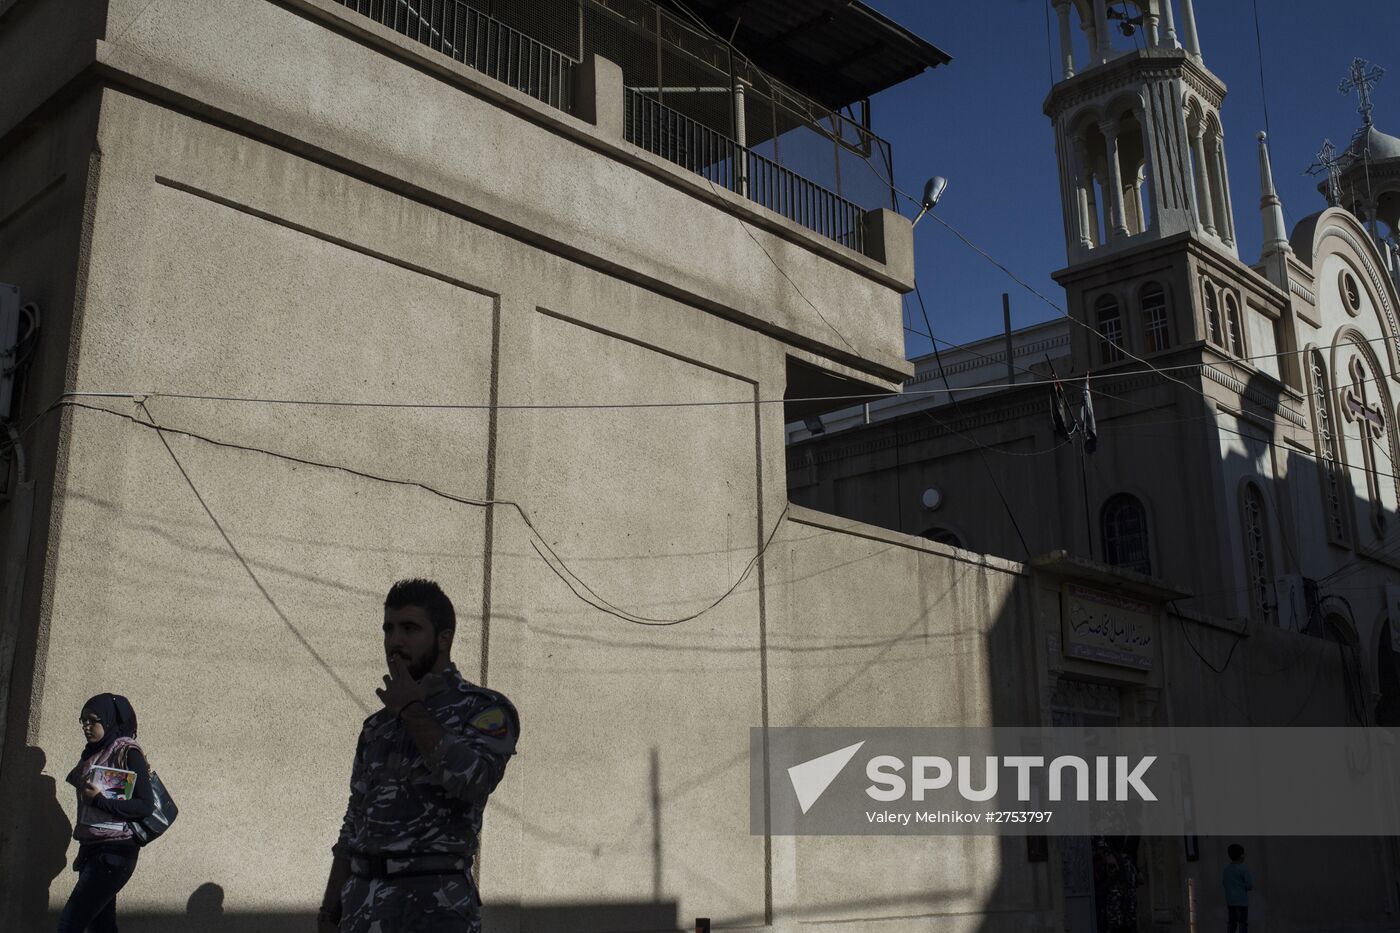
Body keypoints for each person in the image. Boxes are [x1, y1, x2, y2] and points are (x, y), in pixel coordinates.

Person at [319, 579, 520, 933]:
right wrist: (329, 912)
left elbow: (474, 781)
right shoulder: (377, 726)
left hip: (433, 910)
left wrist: (411, 708)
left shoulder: (484, 709)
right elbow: (354, 822)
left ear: (444, 638)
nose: (395, 641)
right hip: (362, 909)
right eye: (389, 629)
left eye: (410, 628)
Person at [58, 693, 155, 933]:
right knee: (101, 926)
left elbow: (145, 805)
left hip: (114, 854)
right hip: (94, 850)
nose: (87, 727)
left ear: (110, 720)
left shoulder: (126, 751)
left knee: (70, 924)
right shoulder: (93, 752)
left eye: (93, 720)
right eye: (83, 721)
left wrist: (99, 801)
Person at [1223, 843, 1253, 933]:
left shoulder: (1226, 869)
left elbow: (1224, 883)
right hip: (1242, 902)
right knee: (1242, 923)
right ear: (1241, 856)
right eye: (1244, 854)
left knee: (1232, 923)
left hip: (1230, 901)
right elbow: (1250, 885)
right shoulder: (1244, 868)